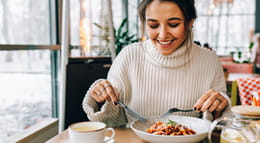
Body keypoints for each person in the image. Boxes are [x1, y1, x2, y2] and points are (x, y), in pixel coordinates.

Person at [83, 0, 231, 127]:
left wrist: (219, 108)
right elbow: (112, 120)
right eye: (153, 26)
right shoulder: (128, 56)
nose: (163, 34)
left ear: (190, 22)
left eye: (173, 24)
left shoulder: (209, 61)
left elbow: (222, 124)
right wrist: (100, 98)